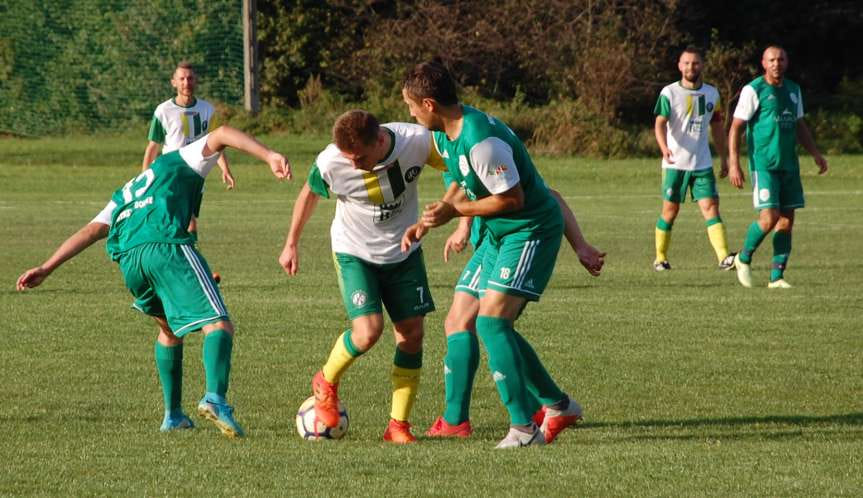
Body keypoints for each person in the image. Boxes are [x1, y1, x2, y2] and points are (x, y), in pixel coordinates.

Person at [17, 126, 291, 438]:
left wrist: (47, 267)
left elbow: (92, 230)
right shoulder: (179, 159)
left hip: (131, 261)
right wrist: (270, 155)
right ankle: (215, 398)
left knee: (168, 329)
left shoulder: (128, 189)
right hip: (165, 245)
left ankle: (173, 415)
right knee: (218, 325)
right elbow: (224, 133)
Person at [401, 60, 592, 448]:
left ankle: (524, 429)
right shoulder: (445, 135)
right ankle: (557, 406)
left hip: (528, 232)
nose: (410, 113)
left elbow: (512, 199)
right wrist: (430, 219)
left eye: (411, 106)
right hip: (493, 238)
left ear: (430, 103)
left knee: (491, 324)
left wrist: (456, 212)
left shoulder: (482, 142)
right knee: (459, 319)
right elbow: (458, 179)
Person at [279, 110, 445, 444]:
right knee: (368, 332)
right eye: (348, 159)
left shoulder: (417, 141)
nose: (353, 166)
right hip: (354, 252)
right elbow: (309, 193)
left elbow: (457, 166)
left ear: (380, 140)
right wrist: (291, 243)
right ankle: (325, 381)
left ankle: (398, 426)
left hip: (404, 251)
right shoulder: (331, 162)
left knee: (411, 336)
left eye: (359, 158)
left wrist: (463, 215)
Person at [414, 176, 605, 439]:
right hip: (491, 244)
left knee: (487, 323)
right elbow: (463, 186)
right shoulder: (444, 144)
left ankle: (466, 420)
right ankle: (547, 404)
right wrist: (463, 225)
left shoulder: (483, 141)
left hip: (509, 242)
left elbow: (548, 196)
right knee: (484, 324)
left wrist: (580, 245)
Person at [727, 45, 828, 288]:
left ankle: (776, 277)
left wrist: (815, 153)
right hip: (764, 164)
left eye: (781, 59)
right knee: (769, 217)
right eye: (772, 60)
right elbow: (736, 127)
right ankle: (743, 258)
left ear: (787, 62)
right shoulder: (754, 90)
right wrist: (733, 162)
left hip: (789, 165)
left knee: (786, 220)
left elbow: (799, 125)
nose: (776, 63)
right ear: (763, 63)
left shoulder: (794, 90)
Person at [653, 46, 735, 272]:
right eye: (687, 63)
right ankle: (660, 258)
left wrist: (724, 158)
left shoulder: (712, 94)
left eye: (695, 63)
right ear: (680, 66)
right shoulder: (669, 93)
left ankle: (724, 257)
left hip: (702, 163)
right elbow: (659, 123)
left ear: (702, 66)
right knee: (670, 211)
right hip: (675, 165)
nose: (691, 67)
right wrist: (664, 148)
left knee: (711, 208)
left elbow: (717, 128)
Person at [143, 61, 235, 245]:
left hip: (195, 173)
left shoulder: (207, 110)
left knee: (189, 223)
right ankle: (180, 262)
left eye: (190, 78)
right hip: (170, 173)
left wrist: (225, 169)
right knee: (176, 221)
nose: (187, 82)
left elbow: (217, 142)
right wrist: (145, 177)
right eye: (182, 79)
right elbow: (153, 147)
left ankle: (189, 262)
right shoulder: (163, 111)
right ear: (174, 82)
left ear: (196, 81)